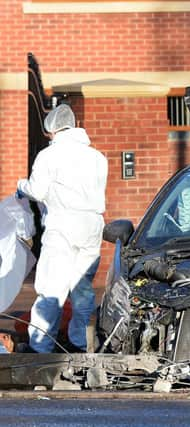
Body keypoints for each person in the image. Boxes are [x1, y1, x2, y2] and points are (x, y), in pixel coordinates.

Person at [16, 104, 108, 353]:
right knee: (83, 288)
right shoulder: (97, 157)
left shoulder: (49, 156)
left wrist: (20, 186)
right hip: (92, 225)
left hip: (62, 225)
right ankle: (78, 343)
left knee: (51, 288)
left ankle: (41, 346)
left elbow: (37, 191)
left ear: (50, 131)